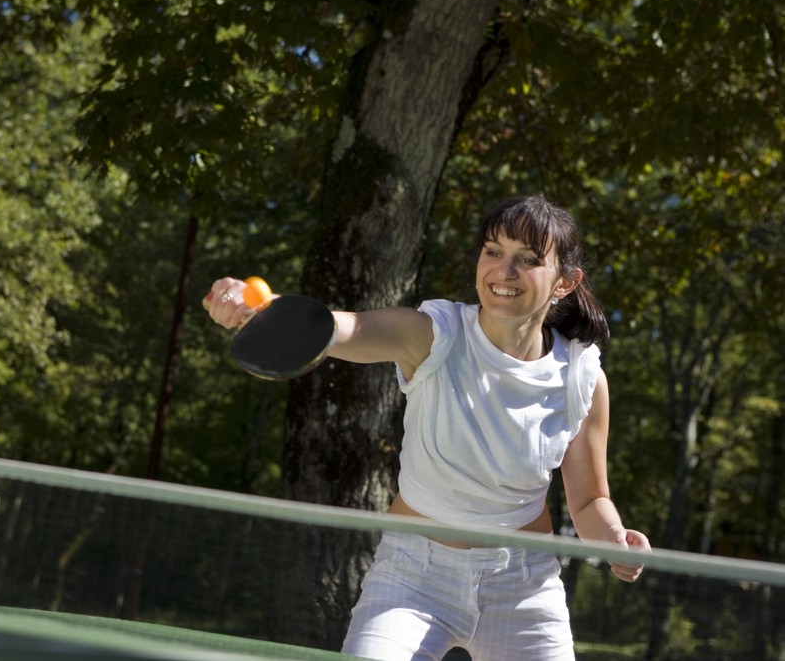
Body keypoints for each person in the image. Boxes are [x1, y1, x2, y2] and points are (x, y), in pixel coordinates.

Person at [204, 195, 651, 661]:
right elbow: (345, 328)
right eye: (493, 251)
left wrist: (615, 538)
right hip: (412, 578)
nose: (504, 271)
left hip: (524, 586)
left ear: (565, 282)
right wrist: (266, 307)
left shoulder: (581, 377)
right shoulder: (436, 335)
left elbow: (587, 499)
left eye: (529, 259)